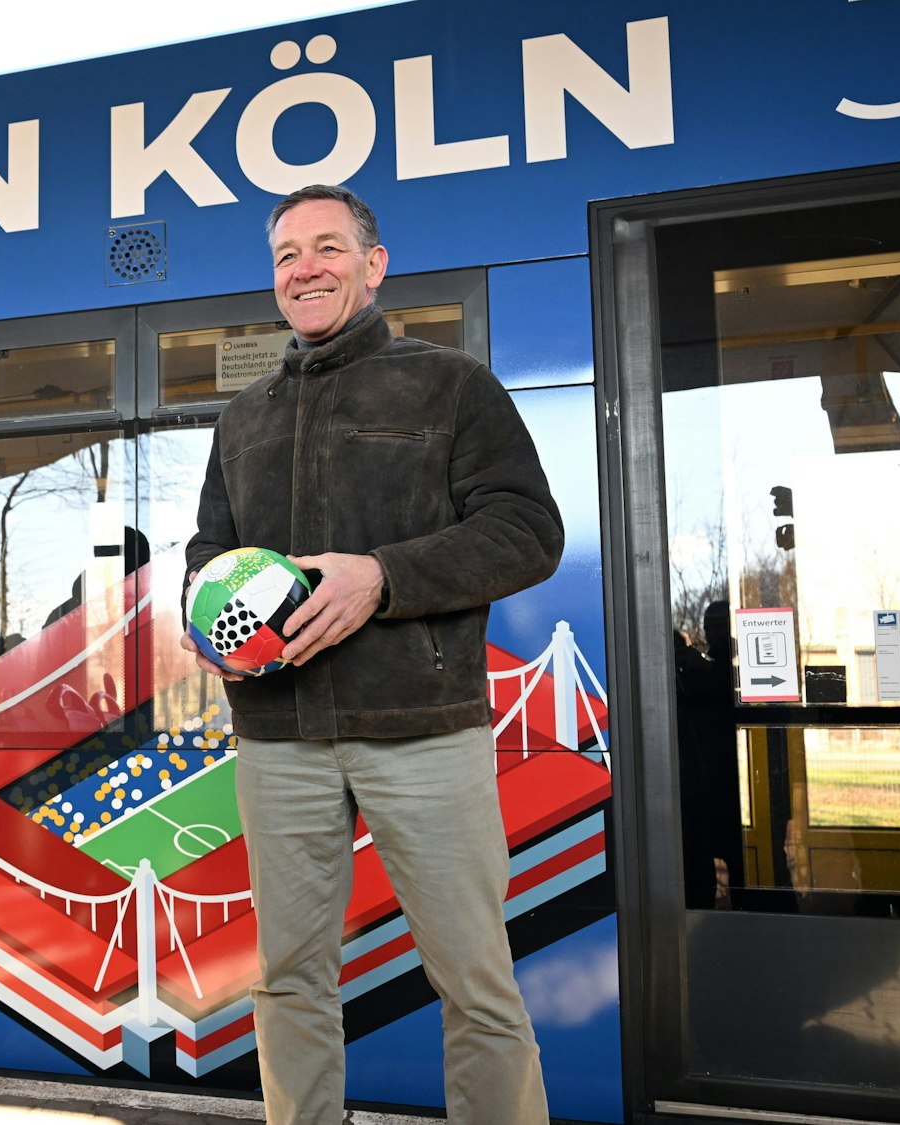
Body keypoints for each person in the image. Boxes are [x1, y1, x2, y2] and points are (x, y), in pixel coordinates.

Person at [183, 184, 563, 1125]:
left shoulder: (451, 384)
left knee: (475, 981)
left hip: (422, 728)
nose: (304, 268)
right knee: (287, 980)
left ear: (373, 264)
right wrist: (210, 631)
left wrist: (380, 578)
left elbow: (527, 531)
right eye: (286, 255)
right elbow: (207, 559)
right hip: (279, 736)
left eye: (326, 247)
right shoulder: (245, 418)